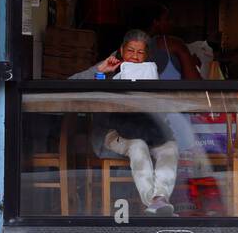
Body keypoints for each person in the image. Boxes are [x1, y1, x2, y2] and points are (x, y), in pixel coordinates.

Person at [71, 29, 178, 215]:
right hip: (113, 134)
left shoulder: (150, 73)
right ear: (121, 50)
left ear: (147, 55)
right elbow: (69, 83)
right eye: (130, 51)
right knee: (138, 146)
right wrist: (101, 71)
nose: (135, 57)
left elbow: (163, 112)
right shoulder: (108, 67)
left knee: (170, 148)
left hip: (149, 132)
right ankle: (152, 201)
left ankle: (160, 199)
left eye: (140, 53)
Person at [139, 3, 202, 80]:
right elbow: (194, 81)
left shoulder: (127, 48)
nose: (172, 22)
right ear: (156, 22)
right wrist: (194, 65)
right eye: (167, 19)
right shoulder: (175, 44)